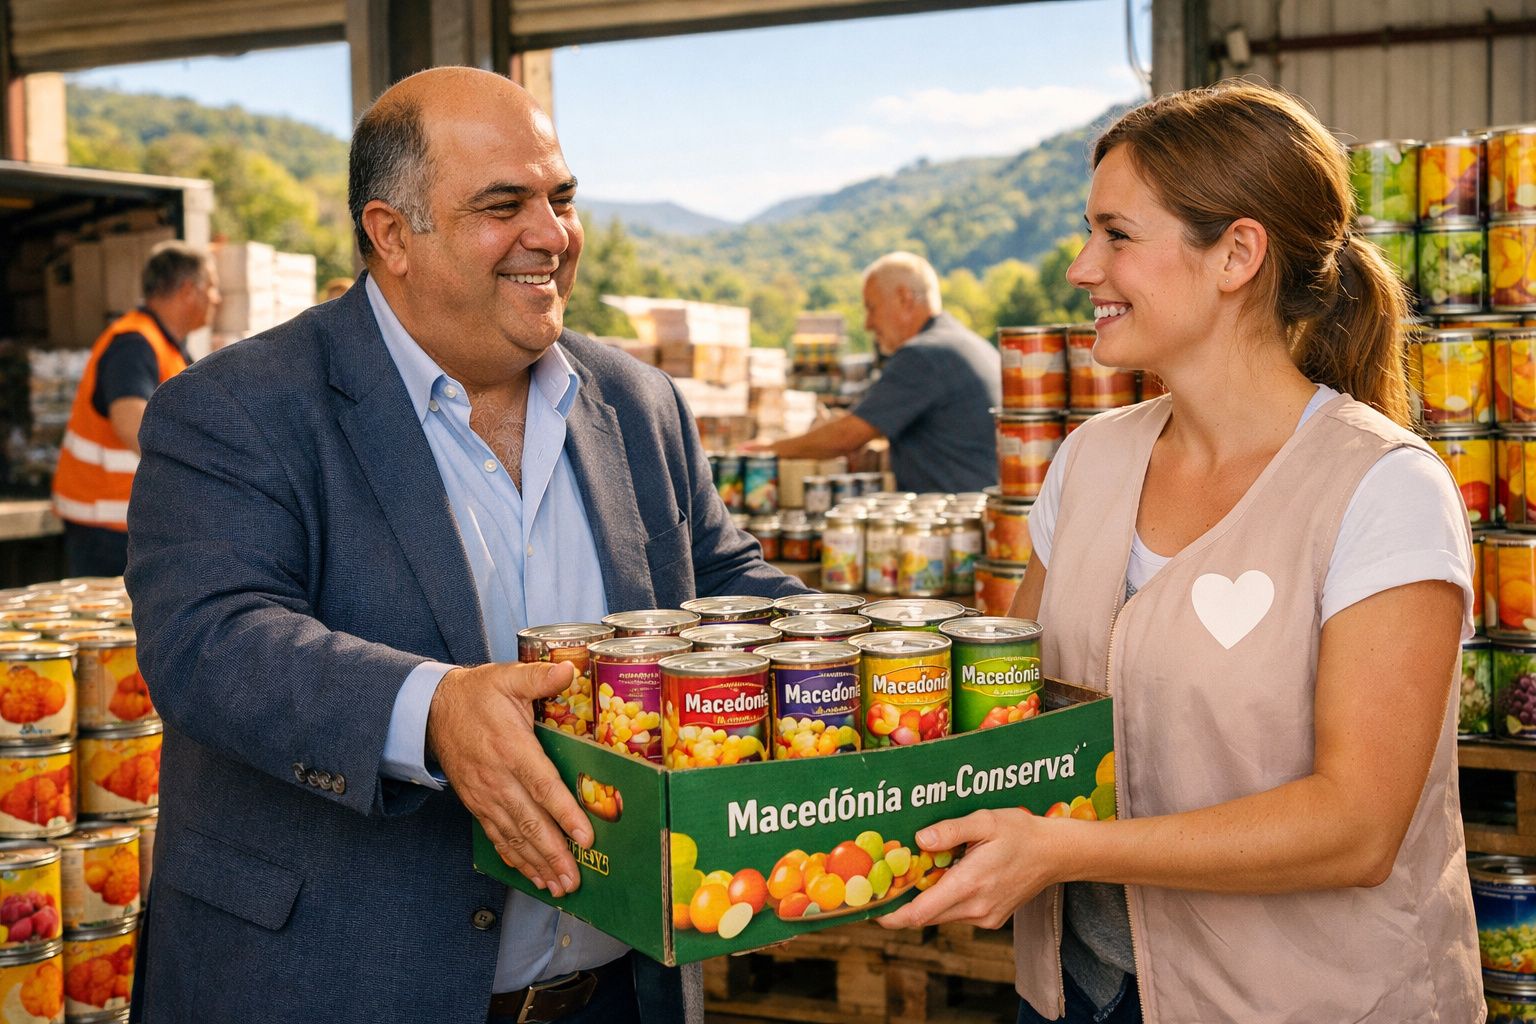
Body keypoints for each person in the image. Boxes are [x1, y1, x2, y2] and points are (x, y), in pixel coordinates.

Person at [124, 67, 806, 1024]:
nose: (552, 235)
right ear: (392, 235)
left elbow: (720, 581)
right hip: (337, 986)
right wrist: (431, 711)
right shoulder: (237, 407)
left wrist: (874, 649)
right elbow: (211, 641)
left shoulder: (638, 403)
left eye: (561, 198)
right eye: (503, 205)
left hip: (620, 990)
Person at [880, 82, 1482, 1022]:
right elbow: (1011, 697)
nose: (1083, 267)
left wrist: (1072, 850)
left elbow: (1357, 827)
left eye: (1117, 235)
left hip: (1304, 1001)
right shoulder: (1090, 459)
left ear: (1238, 253)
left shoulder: (1381, 487)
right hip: (1087, 987)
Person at [750, 252, 999, 493]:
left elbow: (847, 436)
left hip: (954, 522)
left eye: (871, 308)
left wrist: (769, 450)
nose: (868, 324)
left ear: (904, 298)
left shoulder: (923, 355)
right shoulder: (964, 343)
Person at [51, 241, 218, 576]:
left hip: (120, 519)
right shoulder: (133, 343)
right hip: (105, 525)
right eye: (212, 287)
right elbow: (131, 424)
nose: (216, 299)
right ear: (189, 290)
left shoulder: (163, 345)